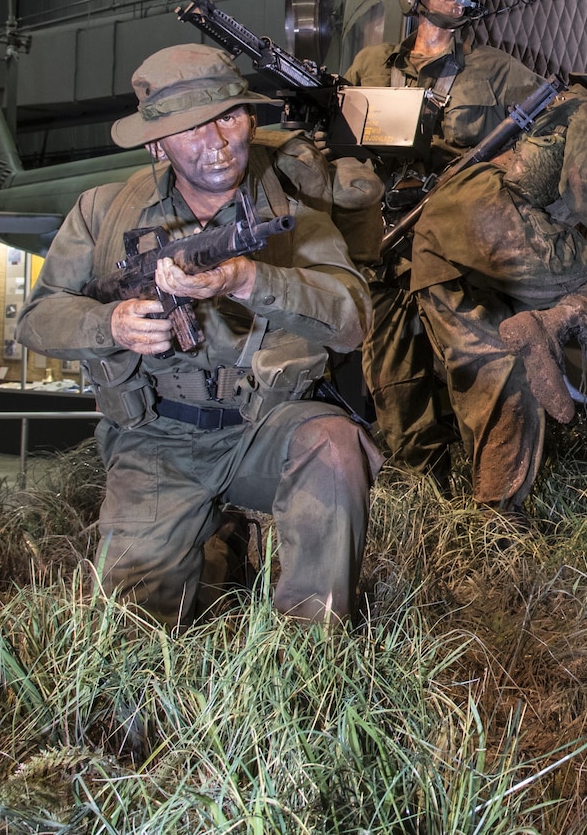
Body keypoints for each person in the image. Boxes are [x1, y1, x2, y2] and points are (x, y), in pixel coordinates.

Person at [19, 44, 375, 625]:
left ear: (251, 121)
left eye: (229, 117)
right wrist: (109, 323)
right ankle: (214, 554)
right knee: (133, 630)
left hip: (264, 427)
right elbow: (37, 317)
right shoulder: (102, 213)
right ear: (157, 144)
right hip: (156, 440)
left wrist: (248, 279)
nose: (216, 141)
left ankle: (313, 664)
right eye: (190, 128)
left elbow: (353, 318)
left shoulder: (296, 218)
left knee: (335, 445)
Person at [407, 50, 587, 508]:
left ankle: (495, 520)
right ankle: (550, 326)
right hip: (498, 223)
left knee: (497, 376)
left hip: (436, 241)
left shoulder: (547, 108)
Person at [328, 0, 541, 474]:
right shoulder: (371, 67)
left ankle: (495, 500)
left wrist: (507, 172)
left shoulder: (497, 69)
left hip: (454, 247)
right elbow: (336, 144)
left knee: (479, 369)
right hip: (384, 243)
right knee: (392, 379)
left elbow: (558, 126)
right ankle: (425, 490)